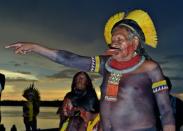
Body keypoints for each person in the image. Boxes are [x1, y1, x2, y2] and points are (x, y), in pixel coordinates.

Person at [6, 9, 175, 131]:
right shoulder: (105, 64)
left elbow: (166, 110)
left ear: (135, 43)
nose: (113, 43)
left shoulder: (150, 68)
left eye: (119, 39)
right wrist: (35, 47)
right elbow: (70, 59)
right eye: (112, 39)